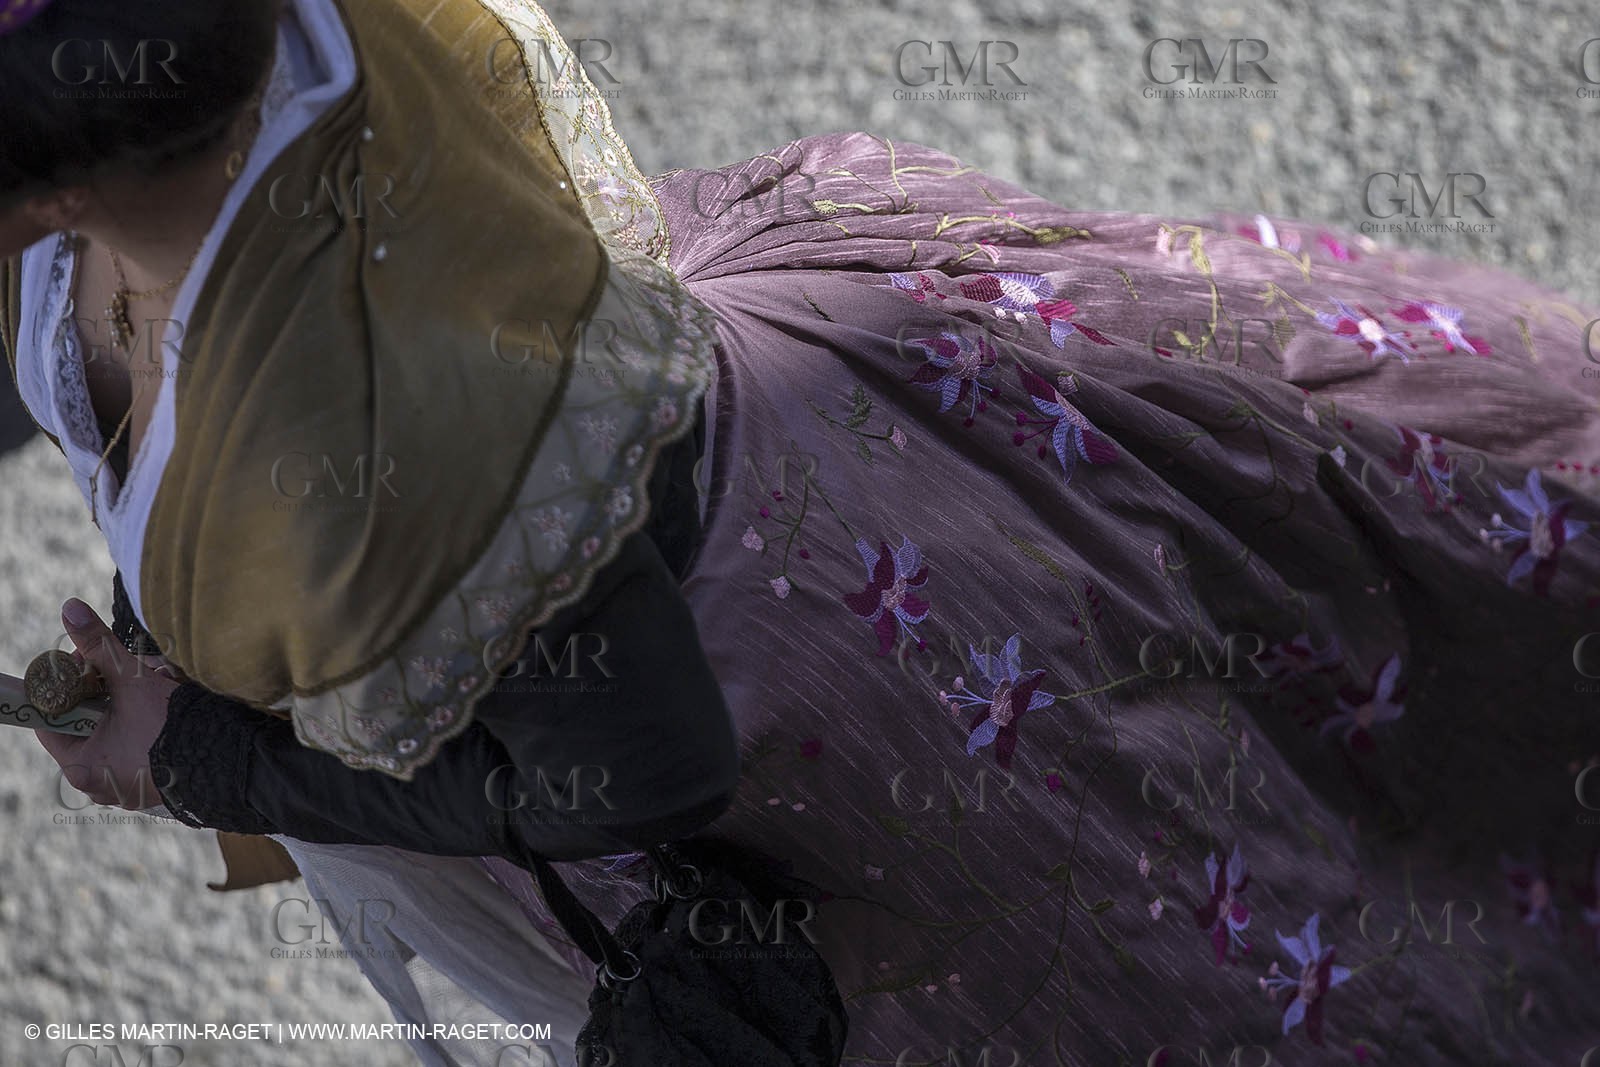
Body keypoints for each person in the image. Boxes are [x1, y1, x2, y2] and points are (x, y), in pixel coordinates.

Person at [4, 1, 1598, 1065]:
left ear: (47, 199)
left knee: (1222, 884)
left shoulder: (383, 447)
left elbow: (649, 776)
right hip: (803, 393)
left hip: (799, 676)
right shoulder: (255, 50)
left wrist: (202, 757)